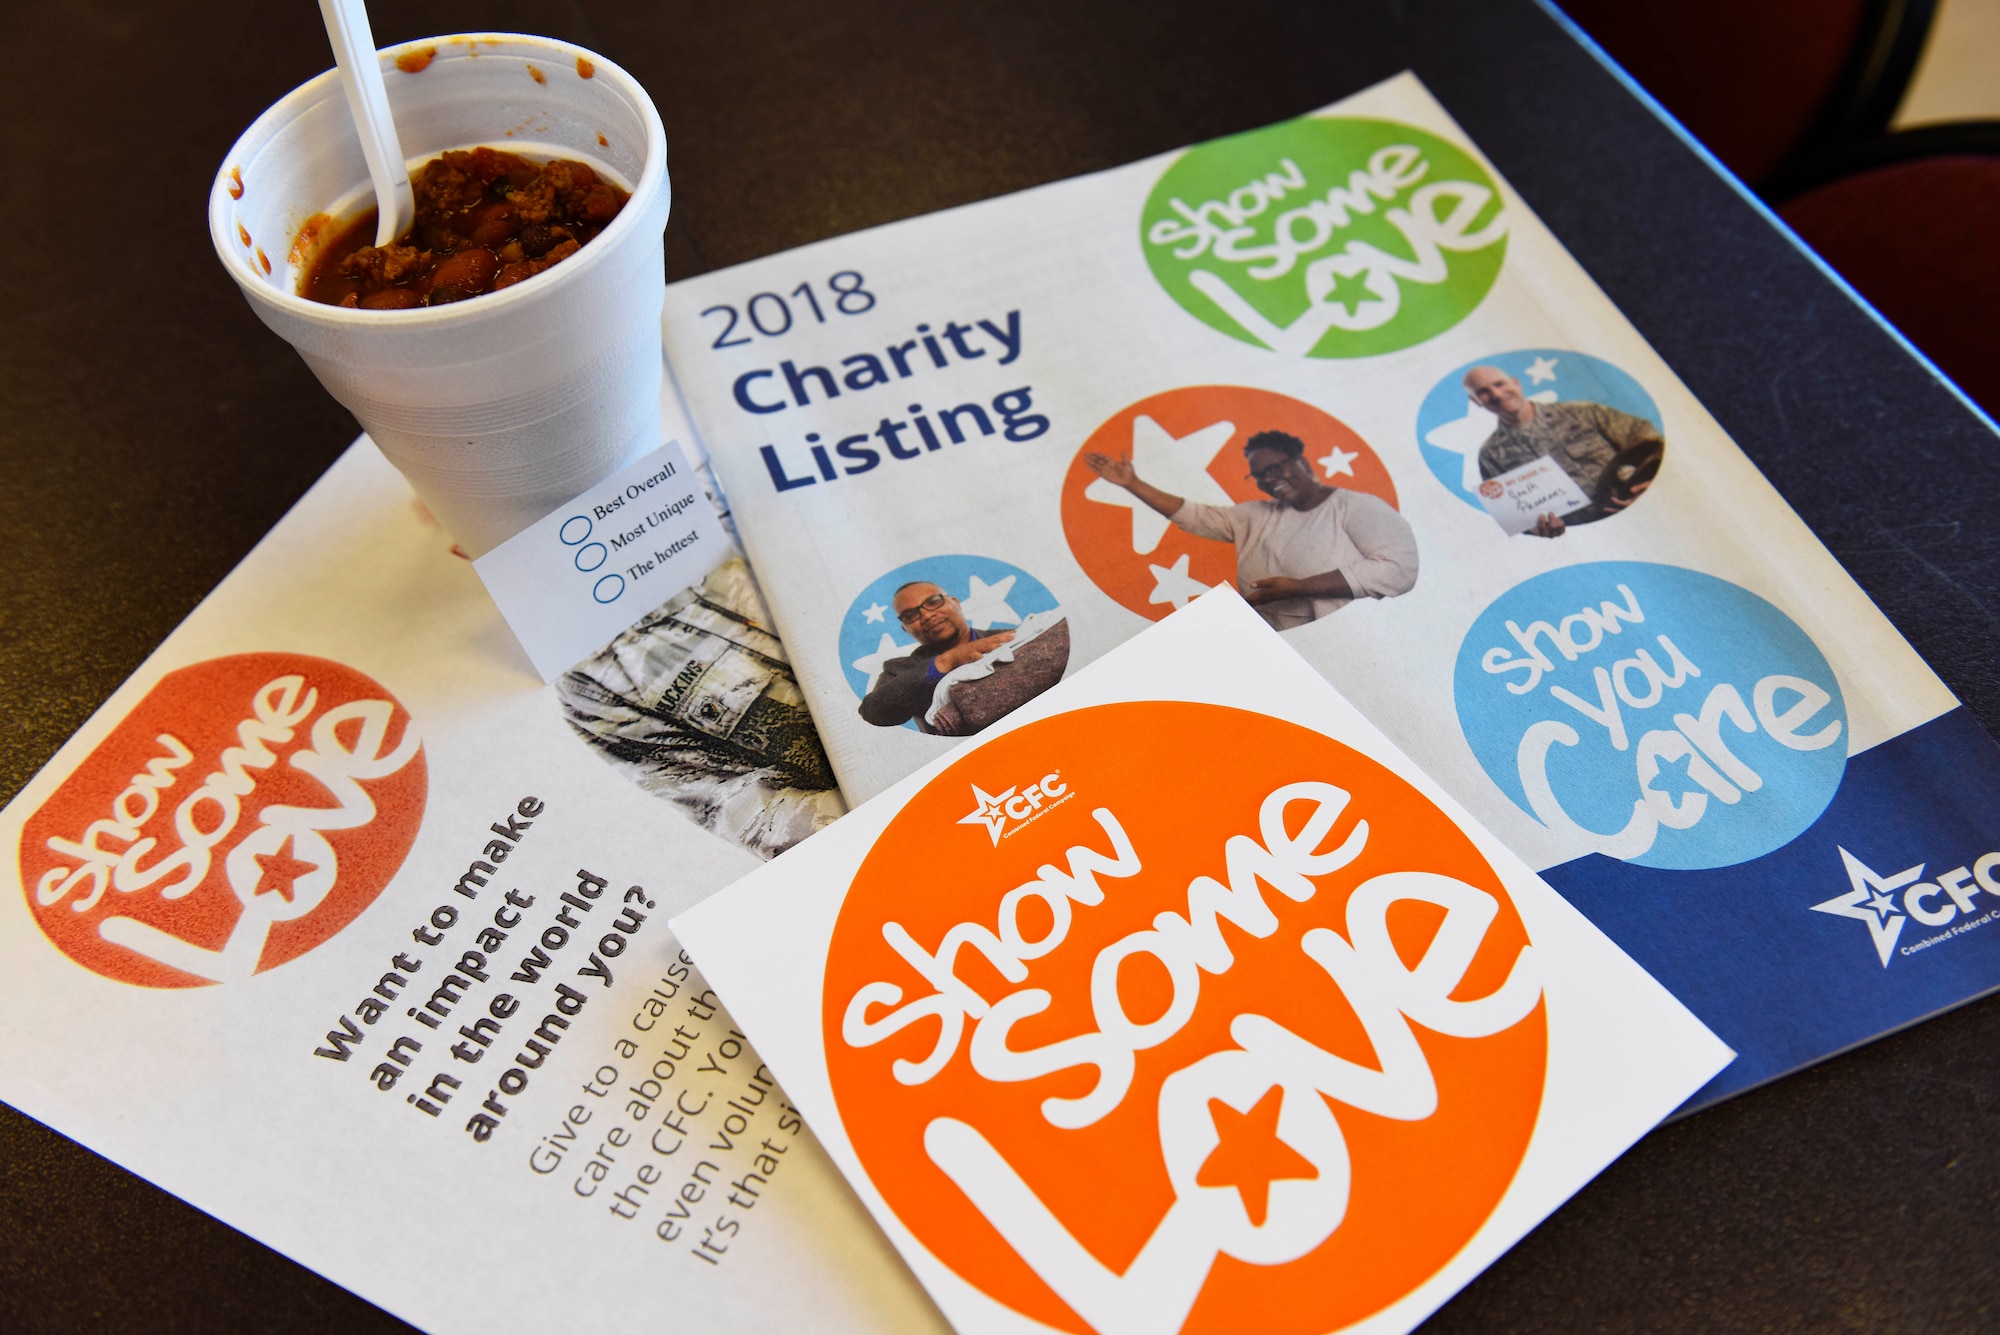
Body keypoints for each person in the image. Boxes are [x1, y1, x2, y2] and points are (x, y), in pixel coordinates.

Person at [1084, 429, 1418, 631]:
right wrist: (1133, 483)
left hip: (1330, 647)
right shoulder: (1256, 515)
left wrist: (1299, 587)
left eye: (1275, 467)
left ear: (1302, 461)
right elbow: (1194, 516)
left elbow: (1399, 570)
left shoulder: (1354, 506)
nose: (1269, 479)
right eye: (1259, 476)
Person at [1464, 365, 1666, 538]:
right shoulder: (1490, 456)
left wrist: (1646, 488)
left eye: (1499, 384)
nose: (1497, 395)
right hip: (1589, 539)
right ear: (1476, 401)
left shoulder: (1583, 413)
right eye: (1483, 391)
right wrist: (1540, 530)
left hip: (1641, 515)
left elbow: (1651, 441)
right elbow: (1517, 520)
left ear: (1515, 382)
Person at [858, 581, 1016, 728]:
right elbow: (874, 712)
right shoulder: (898, 669)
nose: (927, 616)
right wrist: (946, 661)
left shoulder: (1011, 637)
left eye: (933, 602)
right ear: (906, 629)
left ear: (956, 603)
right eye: (910, 615)